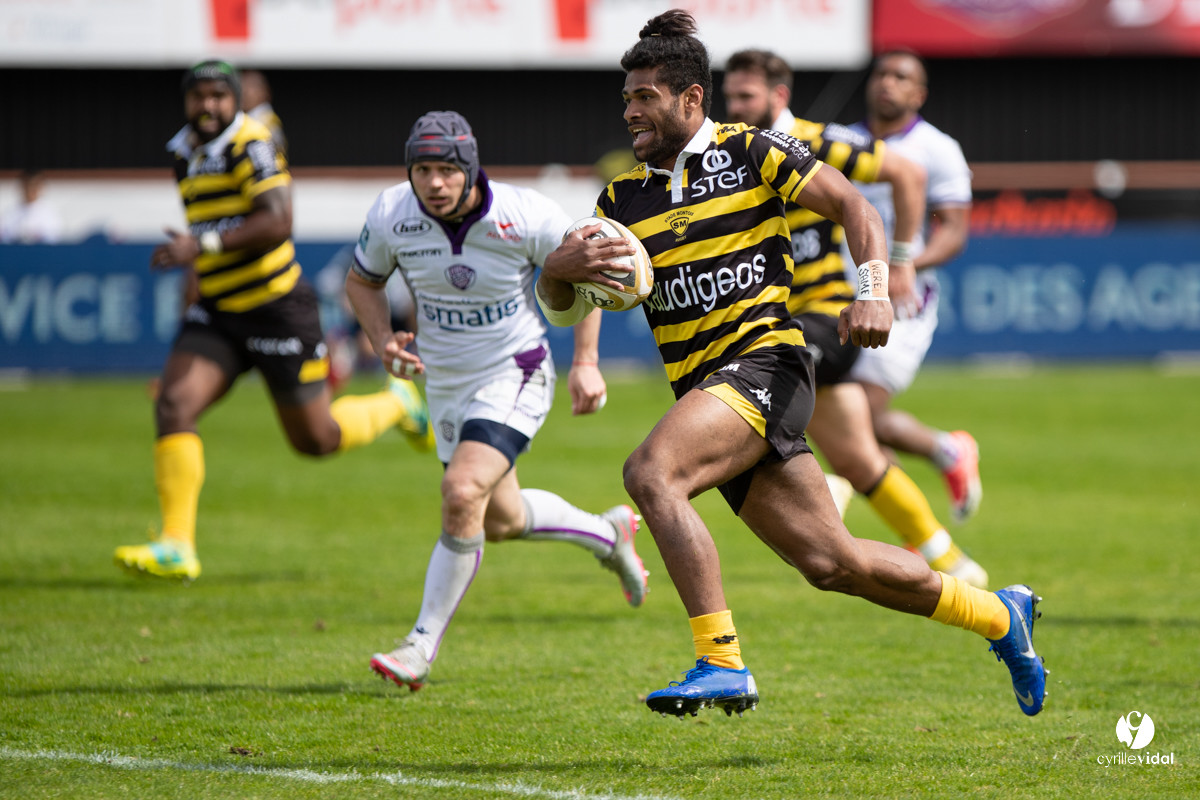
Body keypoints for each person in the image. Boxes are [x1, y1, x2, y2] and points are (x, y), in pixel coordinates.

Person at [536, 10, 1045, 719]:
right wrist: (556, 274)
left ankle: (720, 661)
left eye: (645, 96)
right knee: (835, 563)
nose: (630, 111)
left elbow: (854, 209)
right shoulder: (623, 199)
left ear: (691, 99)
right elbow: (571, 304)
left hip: (766, 364)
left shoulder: (751, 151)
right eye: (625, 98)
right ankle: (999, 616)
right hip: (709, 392)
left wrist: (873, 290)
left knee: (651, 474)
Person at [345, 110, 649, 691]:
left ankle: (419, 646)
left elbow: (591, 276)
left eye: (445, 170)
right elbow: (362, 281)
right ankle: (609, 535)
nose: (434, 183)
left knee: (461, 491)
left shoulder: (524, 213)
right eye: (422, 170)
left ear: (469, 168)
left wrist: (585, 363)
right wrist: (383, 341)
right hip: (446, 382)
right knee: (500, 519)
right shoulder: (390, 213)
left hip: (516, 369)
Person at [113, 60, 433, 582]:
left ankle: (396, 405)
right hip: (218, 312)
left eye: (220, 96)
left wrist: (204, 245)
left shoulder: (253, 144)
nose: (209, 106)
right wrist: (196, 279)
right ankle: (177, 544)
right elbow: (202, 228)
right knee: (174, 404)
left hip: (276, 308)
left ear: (236, 100)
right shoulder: (183, 152)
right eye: (199, 97)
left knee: (316, 441)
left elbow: (278, 221)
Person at [721, 49, 988, 588]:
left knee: (745, 392)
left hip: (825, 318)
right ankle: (953, 561)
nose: (735, 107)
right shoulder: (729, 155)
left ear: (777, 97)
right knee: (863, 456)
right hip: (781, 319)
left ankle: (824, 487)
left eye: (745, 97)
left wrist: (902, 263)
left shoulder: (814, 142)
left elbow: (908, 174)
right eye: (730, 97)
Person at [844, 50, 982, 525]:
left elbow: (955, 232)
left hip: (902, 300)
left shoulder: (936, 148)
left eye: (901, 77)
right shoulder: (845, 142)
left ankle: (921, 521)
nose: (887, 83)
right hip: (843, 298)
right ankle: (923, 521)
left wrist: (904, 264)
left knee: (855, 413)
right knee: (859, 429)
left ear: (918, 94)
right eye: (881, 73)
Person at [0, 169, 63, 244]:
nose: (30, 189)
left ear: (40, 187)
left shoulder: (50, 213)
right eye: (27, 185)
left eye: (34, 185)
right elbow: (5, 238)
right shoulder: (10, 213)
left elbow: (55, 238)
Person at [239, 69, 288, 160]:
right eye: (241, 87)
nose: (244, 92)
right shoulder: (246, 117)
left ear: (264, 91)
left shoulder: (266, 119)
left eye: (250, 86)